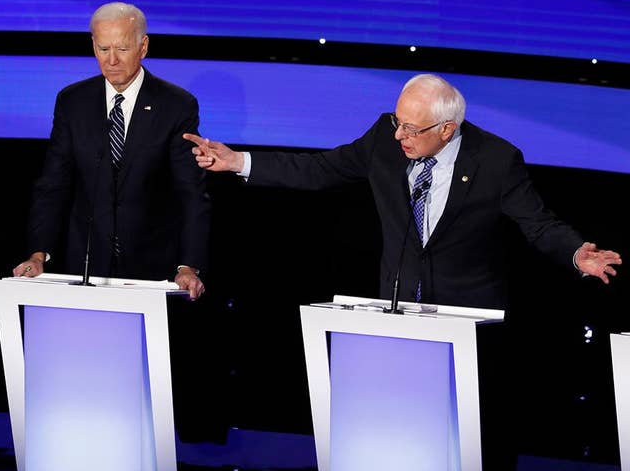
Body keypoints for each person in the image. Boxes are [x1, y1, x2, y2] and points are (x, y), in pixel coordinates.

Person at [185, 73, 620, 310]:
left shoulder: (496, 160)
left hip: (466, 316)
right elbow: (319, 169)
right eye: (398, 122)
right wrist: (239, 161)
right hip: (394, 310)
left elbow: (538, 223)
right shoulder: (383, 139)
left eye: (412, 129)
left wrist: (577, 252)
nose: (400, 137)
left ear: (447, 129)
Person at [13, 2, 209, 299]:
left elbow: (191, 193)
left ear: (143, 47)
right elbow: (53, 184)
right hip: (84, 266)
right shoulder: (72, 101)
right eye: (103, 49)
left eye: (122, 49)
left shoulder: (177, 105)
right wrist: (39, 253)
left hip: (152, 268)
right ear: (93, 45)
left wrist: (188, 266)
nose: (112, 60)